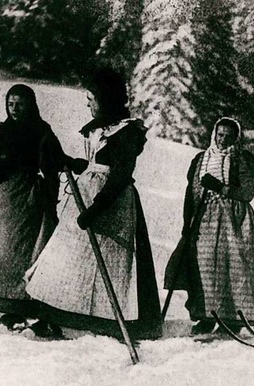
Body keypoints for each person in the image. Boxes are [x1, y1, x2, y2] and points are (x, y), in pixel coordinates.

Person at [25, 68, 162, 340]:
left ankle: (113, 323)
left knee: (109, 262)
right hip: (86, 198)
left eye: (92, 99)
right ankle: (56, 315)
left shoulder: (127, 133)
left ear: (106, 99)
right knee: (68, 258)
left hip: (112, 204)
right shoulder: (100, 129)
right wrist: (70, 163)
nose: (88, 105)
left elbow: (120, 176)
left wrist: (97, 209)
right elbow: (94, 165)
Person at [0, 84, 87, 332]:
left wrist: (72, 165)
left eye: (20, 104)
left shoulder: (41, 132)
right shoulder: (0, 134)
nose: (14, 109)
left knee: (16, 252)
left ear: (31, 105)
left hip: (23, 200)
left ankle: (15, 307)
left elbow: (54, 160)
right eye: (11, 104)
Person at [164, 117, 254, 335]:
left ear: (236, 138)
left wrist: (221, 188)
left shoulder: (243, 159)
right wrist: (187, 221)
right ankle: (206, 316)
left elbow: (247, 192)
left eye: (228, 136)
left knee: (233, 267)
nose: (222, 140)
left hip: (235, 220)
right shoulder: (201, 159)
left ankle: (233, 319)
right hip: (205, 218)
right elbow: (191, 192)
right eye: (219, 135)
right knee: (205, 268)